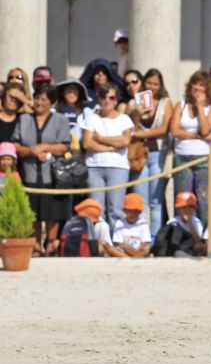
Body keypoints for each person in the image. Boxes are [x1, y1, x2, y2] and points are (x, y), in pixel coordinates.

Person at [13, 86, 71, 256]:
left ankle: (51, 243)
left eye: (43, 99)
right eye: (37, 98)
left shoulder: (60, 120)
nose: (39, 102)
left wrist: (46, 147)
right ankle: (36, 244)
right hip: (29, 172)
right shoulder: (24, 119)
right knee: (33, 211)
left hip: (52, 173)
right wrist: (31, 151)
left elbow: (64, 146)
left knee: (52, 210)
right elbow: (15, 145)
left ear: (50, 102)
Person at [80, 82, 133, 226]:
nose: (107, 100)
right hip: (94, 167)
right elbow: (86, 143)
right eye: (104, 97)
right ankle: (98, 244)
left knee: (116, 209)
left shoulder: (124, 119)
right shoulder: (91, 118)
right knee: (96, 210)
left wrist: (100, 138)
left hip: (118, 167)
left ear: (116, 100)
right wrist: (110, 148)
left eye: (111, 97)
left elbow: (125, 141)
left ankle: (115, 243)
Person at [129, 68, 173, 236]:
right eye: (149, 83)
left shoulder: (165, 102)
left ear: (160, 85)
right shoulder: (134, 103)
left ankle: (154, 237)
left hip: (158, 153)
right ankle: (142, 236)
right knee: (141, 199)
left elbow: (164, 129)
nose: (152, 87)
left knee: (156, 201)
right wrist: (137, 115)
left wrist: (141, 134)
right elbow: (129, 129)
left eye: (155, 84)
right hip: (139, 154)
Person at [171, 71, 211, 223]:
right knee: (183, 197)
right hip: (182, 157)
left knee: (204, 198)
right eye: (194, 83)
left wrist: (200, 107)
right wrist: (196, 136)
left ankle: (203, 235)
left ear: (207, 89)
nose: (197, 88)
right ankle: (184, 232)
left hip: (204, 158)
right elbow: (175, 131)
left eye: (201, 85)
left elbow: (206, 130)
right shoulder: (181, 105)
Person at [108, 193, 151, 258]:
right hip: (124, 250)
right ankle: (130, 257)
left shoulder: (143, 223)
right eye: (130, 211)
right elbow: (119, 243)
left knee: (147, 249)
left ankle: (132, 257)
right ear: (125, 210)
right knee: (111, 249)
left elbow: (144, 242)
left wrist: (138, 250)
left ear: (140, 212)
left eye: (136, 211)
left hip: (138, 250)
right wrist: (130, 250)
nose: (133, 214)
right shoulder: (119, 223)